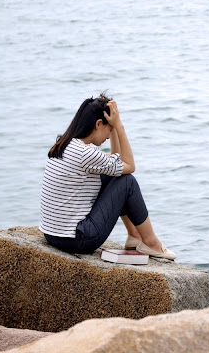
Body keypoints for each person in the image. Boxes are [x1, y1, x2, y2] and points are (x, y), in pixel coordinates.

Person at [39, 94, 176, 260]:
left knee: (115, 176)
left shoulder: (65, 144)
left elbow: (116, 166)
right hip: (77, 239)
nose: (110, 136)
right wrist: (119, 125)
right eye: (109, 129)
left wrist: (114, 126)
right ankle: (151, 242)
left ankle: (134, 236)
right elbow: (130, 167)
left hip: (53, 234)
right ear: (98, 124)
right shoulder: (85, 154)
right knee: (128, 182)